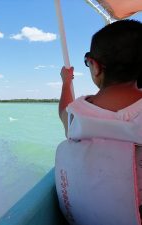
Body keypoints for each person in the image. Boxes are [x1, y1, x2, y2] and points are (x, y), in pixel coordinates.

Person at [57, 19, 142, 224]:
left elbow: (63, 110)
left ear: (95, 67)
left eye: (88, 62)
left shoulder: (77, 118)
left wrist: (66, 82)